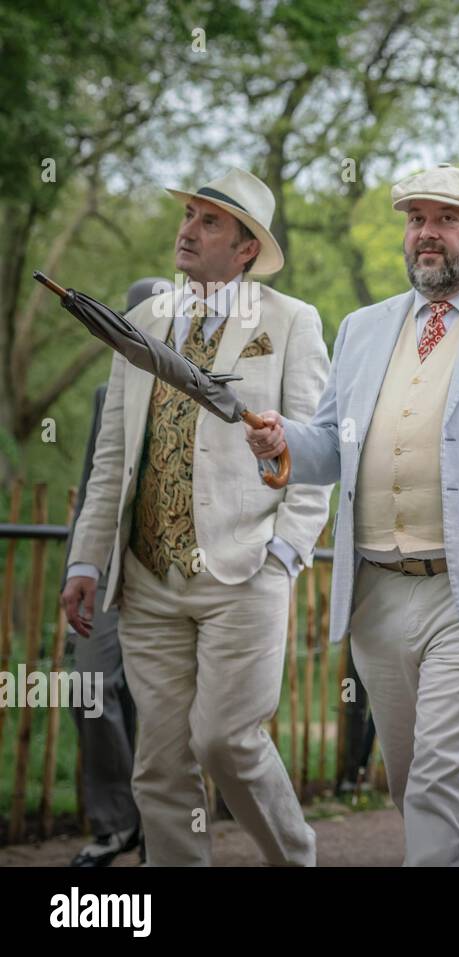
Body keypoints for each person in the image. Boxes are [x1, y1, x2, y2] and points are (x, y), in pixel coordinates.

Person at [246, 165, 459, 866]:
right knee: (414, 786)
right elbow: (331, 445)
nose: (427, 233)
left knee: (442, 781)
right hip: (378, 591)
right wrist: (281, 441)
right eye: (416, 218)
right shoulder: (364, 328)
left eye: (446, 219)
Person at [62, 169, 331, 866]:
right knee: (160, 760)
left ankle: (294, 858)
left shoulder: (291, 322)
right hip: (149, 576)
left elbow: (317, 448)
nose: (187, 230)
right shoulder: (143, 324)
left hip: (245, 571)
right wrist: (89, 560)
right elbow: (114, 453)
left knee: (226, 739)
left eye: (210, 222)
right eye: (188, 214)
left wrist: (287, 552)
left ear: (246, 249)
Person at [62, 278, 168, 867]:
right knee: (88, 682)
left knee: (165, 704)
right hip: (108, 567)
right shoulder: (110, 394)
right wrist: (76, 571)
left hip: (178, 570)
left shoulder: (203, 385)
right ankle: (115, 823)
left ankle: (164, 829)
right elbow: (94, 489)